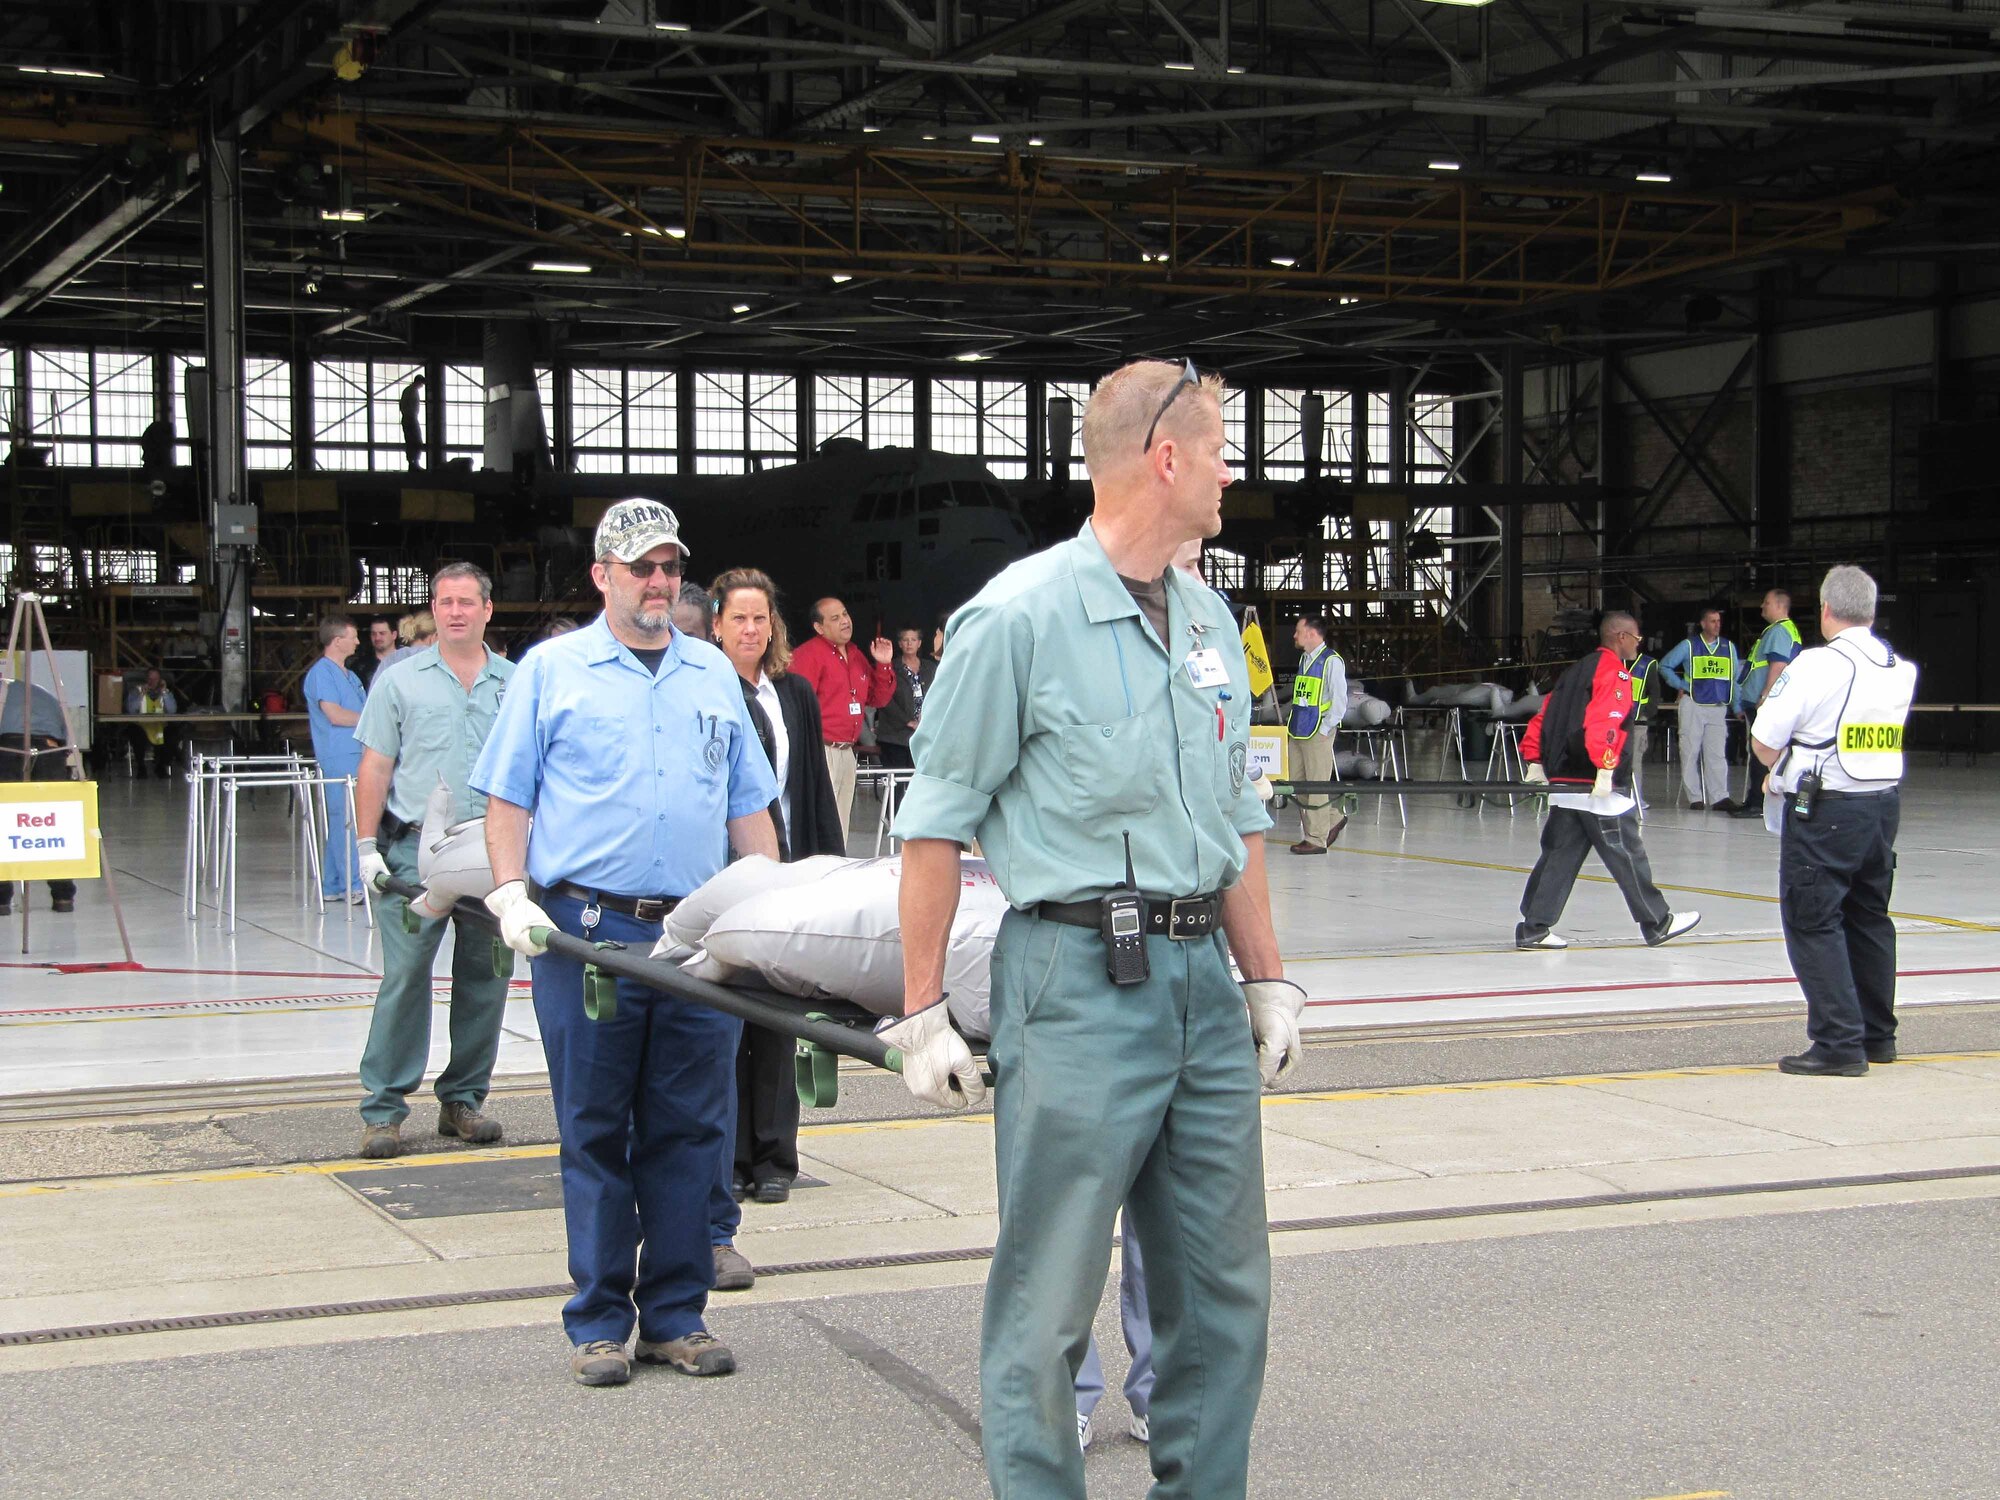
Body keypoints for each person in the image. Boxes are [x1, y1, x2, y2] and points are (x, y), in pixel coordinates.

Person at [889, 358, 1303, 1500]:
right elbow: (934, 826)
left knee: (1223, 1291)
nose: (1232, 471)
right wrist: (920, 1011)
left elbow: (1235, 815)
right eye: (1221, 448)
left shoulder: (1212, 618)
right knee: (1047, 1296)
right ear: (1163, 458)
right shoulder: (1016, 618)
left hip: (1198, 989)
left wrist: (1266, 979)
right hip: (1073, 978)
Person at [471, 499, 779, 1388]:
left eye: (670, 566)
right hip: (588, 936)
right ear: (603, 575)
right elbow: (508, 798)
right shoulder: (551, 671)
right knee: (598, 1128)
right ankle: (600, 1319)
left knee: (691, 1130)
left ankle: (676, 1316)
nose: (659, 581)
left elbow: (747, 808)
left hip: (694, 935)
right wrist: (507, 891)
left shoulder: (714, 674)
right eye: (641, 566)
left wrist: (777, 917)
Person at [350, 563, 516, 1160]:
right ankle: (385, 1109)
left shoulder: (515, 684)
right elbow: (375, 767)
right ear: (434, 609)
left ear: (487, 611)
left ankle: (464, 1100)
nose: (455, 612)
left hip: (494, 855)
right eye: (445, 602)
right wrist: (367, 847)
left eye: (467, 602)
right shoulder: (399, 680)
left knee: (486, 978)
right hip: (415, 853)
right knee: (404, 977)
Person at [711, 568, 843, 1222]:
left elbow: (813, 785)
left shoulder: (793, 693)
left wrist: (831, 869)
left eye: (760, 618)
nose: (751, 630)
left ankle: (773, 1158)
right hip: (731, 880)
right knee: (727, 1020)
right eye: (738, 618)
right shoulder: (708, 692)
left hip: (790, 872)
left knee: (779, 1024)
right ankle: (730, 1158)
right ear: (716, 625)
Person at [1750, 565, 1916, 1076]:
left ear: (1825, 609)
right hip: (1881, 807)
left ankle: (1838, 1043)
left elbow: (1764, 741)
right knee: (1869, 918)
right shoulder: (1897, 667)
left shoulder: (1815, 665)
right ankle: (1876, 1036)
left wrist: (1778, 771)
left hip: (1827, 813)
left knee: (1813, 920)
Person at [1517, 612, 1701, 951]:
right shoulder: (1614, 672)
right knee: (1627, 851)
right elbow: (1607, 720)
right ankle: (1657, 921)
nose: (1638, 644)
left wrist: (1534, 758)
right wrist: (1606, 766)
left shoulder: (1575, 671)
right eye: (1636, 638)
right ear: (1620, 637)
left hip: (1566, 782)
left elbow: (1545, 715)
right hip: (1595, 783)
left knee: (1558, 856)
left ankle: (1534, 927)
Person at [787, 596, 893, 833]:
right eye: (835, 618)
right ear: (819, 627)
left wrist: (883, 665)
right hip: (820, 749)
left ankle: (836, 867)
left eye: (845, 614)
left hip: (847, 751)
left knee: (840, 824)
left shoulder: (855, 654)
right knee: (819, 824)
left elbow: (878, 699)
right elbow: (796, 708)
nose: (845, 621)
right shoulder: (808, 655)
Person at [0, 672, 79, 916]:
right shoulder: (39, 690)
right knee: (52, 824)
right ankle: (63, 895)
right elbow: (65, 733)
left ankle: (2, 898)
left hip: (7, 750)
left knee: (5, 822)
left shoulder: (3, 695)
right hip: (50, 751)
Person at [304, 617, 368, 902]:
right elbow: (334, 714)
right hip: (338, 754)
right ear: (337, 640)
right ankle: (352, 883)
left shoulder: (350, 676)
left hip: (357, 751)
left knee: (347, 816)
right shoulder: (322, 674)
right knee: (347, 819)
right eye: (353, 636)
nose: (357, 641)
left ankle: (332, 883)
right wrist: (371, 720)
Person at [1658, 607, 1742, 811]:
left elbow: (1733, 680)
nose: (1717, 625)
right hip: (1693, 704)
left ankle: (1720, 797)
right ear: (1703, 624)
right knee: (1690, 751)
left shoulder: (1729, 647)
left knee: (1717, 754)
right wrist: (1682, 685)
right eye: (1712, 621)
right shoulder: (1690, 645)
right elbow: (1665, 665)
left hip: (1718, 706)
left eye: (1719, 621)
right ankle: (1695, 797)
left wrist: (1737, 706)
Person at [1731, 588, 1804, 821]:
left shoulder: (1779, 631)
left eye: (1766, 602)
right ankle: (1758, 800)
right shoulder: (1781, 630)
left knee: (1761, 752)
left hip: (1765, 702)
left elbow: (1777, 665)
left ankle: (1757, 802)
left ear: (1780, 606)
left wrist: (1764, 695)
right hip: (1765, 701)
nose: (1762, 607)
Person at [1286, 613, 1348, 854]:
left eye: (1298, 631)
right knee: (1296, 783)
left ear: (1312, 633)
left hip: (1317, 731)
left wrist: (1325, 728)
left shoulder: (1331, 661)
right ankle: (1333, 817)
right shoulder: (1305, 659)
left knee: (1317, 784)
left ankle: (1316, 838)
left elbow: (1339, 700)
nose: (1294, 635)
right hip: (1299, 729)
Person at [874, 627, 932, 773]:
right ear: (899, 644)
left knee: (919, 781)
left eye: (913, 640)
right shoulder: (891, 667)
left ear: (919, 643)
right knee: (897, 784)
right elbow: (884, 699)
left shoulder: (930, 667)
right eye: (905, 640)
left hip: (924, 734)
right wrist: (907, 721)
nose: (909, 643)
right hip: (895, 735)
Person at [123, 668, 180, 779]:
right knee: (135, 733)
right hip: (141, 726)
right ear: (145, 679)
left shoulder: (166, 692)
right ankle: (141, 767)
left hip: (160, 726)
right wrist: (141, 695)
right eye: (150, 678)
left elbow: (173, 710)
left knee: (173, 734)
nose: (152, 681)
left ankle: (161, 766)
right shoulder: (136, 691)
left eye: (155, 679)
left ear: (160, 680)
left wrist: (164, 692)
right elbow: (130, 710)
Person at [1626, 639, 1661, 810]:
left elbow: (1655, 692)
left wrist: (1648, 712)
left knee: (1635, 762)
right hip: (1614, 721)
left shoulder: (1648, 664)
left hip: (1638, 720)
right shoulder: (1613, 661)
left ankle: (1635, 797)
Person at [352, 617, 398, 692]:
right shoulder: (359, 666)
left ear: (394, 635)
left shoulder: (405, 660)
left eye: (382, 633)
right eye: (373, 634)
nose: (377, 638)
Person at [400, 374, 426, 469]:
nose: (422, 386)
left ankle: (413, 462)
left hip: (409, 418)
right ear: (418, 382)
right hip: (410, 419)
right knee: (415, 440)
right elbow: (409, 407)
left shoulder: (408, 390)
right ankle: (414, 463)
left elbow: (402, 405)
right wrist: (411, 416)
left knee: (411, 441)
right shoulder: (412, 391)